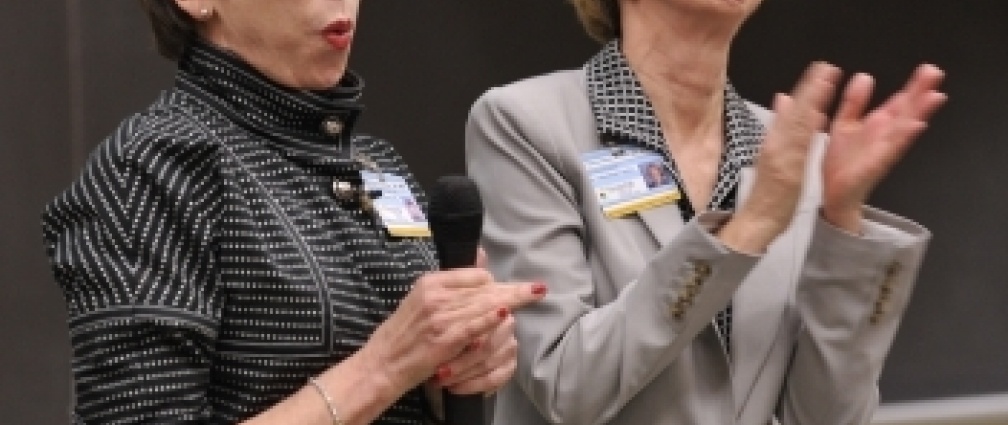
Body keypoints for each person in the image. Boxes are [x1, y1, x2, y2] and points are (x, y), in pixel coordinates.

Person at [41, 1, 547, 424]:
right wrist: (385, 367)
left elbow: (411, 377)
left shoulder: (377, 165)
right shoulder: (156, 166)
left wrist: (449, 369)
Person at [464, 0, 946, 424]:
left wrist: (841, 220)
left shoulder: (793, 151)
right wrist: (749, 227)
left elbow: (826, 418)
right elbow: (567, 387)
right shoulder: (527, 123)